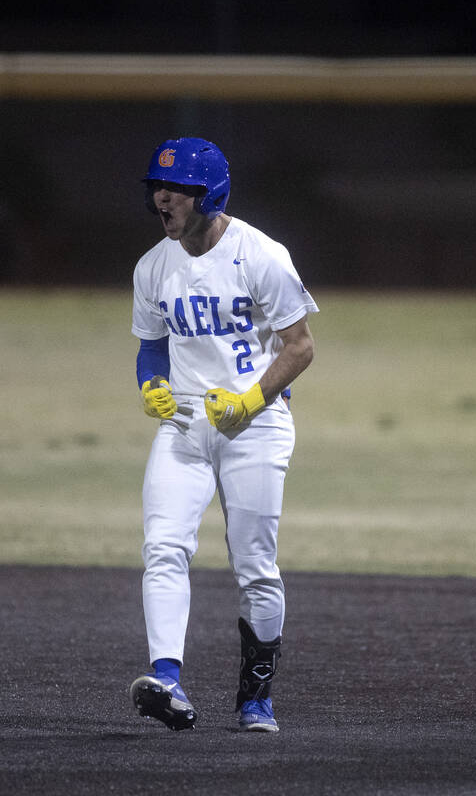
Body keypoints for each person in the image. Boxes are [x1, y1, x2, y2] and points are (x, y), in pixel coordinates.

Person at [127, 137, 318, 733]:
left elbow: (300, 346)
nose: (162, 196)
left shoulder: (260, 254)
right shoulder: (153, 265)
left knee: (255, 566)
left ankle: (256, 697)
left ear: (208, 194)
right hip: (185, 424)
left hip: (256, 425)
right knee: (163, 546)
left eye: (177, 187)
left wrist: (251, 399)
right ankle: (168, 680)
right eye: (158, 186)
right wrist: (150, 387)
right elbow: (151, 348)